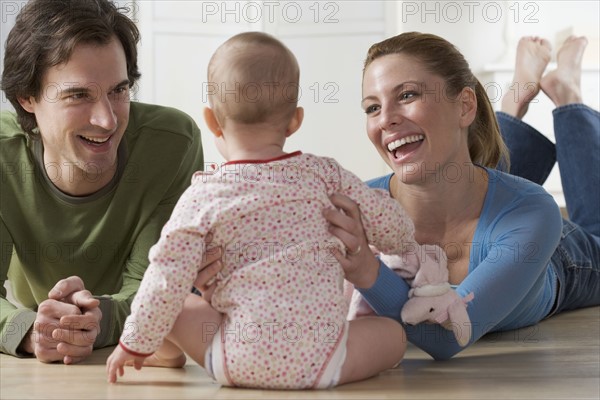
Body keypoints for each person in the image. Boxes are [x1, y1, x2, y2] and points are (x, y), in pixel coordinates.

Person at [104, 31, 438, 389]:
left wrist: (132, 342)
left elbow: (165, 275)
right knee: (393, 334)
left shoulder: (203, 194)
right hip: (324, 360)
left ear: (212, 121)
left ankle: (155, 350)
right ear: (295, 120)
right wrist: (398, 238)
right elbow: (394, 228)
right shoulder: (325, 174)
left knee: (176, 303)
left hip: (235, 361)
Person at [321, 32, 600, 360]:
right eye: (372, 107)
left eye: (407, 94)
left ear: (466, 105)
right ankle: (514, 100)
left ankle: (567, 91)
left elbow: (448, 335)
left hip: (558, 259)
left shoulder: (533, 214)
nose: (385, 119)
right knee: (460, 160)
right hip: (484, 197)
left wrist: (367, 270)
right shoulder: (356, 208)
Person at [0, 0, 213, 364]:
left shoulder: (172, 143)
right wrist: (29, 331)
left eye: (118, 90)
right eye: (78, 95)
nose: (108, 120)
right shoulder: (5, 158)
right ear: (27, 97)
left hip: (147, 356)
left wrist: (96, 322)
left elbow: (155, 287)